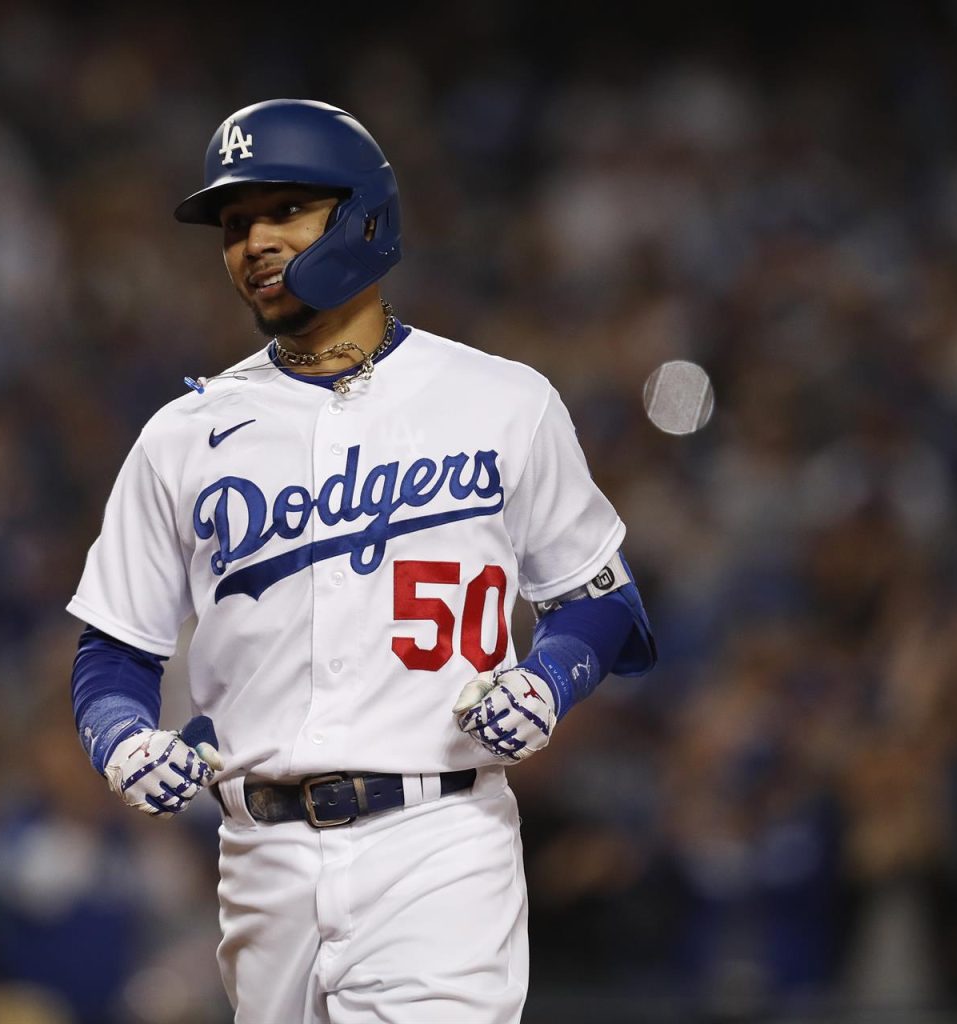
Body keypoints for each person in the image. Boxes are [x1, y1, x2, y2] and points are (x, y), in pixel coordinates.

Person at [66, 98, 656, 1023]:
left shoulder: (501, 400)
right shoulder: (183, 435)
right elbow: (114, 651)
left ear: (362, 214)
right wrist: (121, 739)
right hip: (260, 863)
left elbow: (603, 599)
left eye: (282, 212)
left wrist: (549, 678)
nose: (253, 243)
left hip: (439, 836)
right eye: (233, 225)